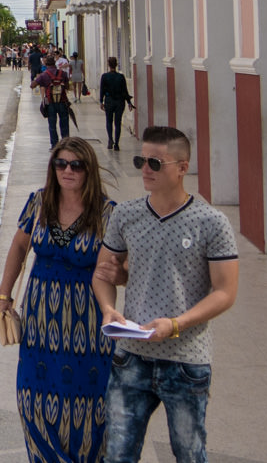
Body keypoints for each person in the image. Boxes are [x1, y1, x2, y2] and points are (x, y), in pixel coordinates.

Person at [93, 126, 240, 463]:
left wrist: (176, 324)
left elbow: (225, 292)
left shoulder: (211, 222)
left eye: (155, 163)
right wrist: (108, 308)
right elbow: (103, 273)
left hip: (185, 360)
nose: (146, 169)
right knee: (117, 453)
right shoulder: (126, 214)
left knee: (189, 454)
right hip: (130, 355)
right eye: (141, 160)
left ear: (182, 167)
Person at [0, 138, 116, 463]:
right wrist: (4, 296)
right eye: (61, 163)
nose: (68, 170)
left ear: (89, 169)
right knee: (33, 400)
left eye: (76, 165)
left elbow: (121, 268)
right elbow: (19, 247)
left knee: (88, 407)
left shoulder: (107, 213)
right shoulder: (39, 202)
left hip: (87, 326)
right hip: (40, 321)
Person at [34, 58, 72, 147]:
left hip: (50, 102)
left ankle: (54, 144)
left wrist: (39, 82)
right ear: (54, 63)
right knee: (64, 124)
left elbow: (32, 85)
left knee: (52, 124)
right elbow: (67, 86)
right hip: (62, 101)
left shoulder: (44, 75)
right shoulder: (62, 73)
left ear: (46, 64)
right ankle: (65, 143)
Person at [98, 57, 134, 151]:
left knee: (109, 121)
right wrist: (129, 102)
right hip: (119, 102)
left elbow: (102, 90)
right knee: (117, 123)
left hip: (109, 101)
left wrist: (101, 101)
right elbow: (125, 91)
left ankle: (110, 139)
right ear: (116, 65)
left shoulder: (104, 76)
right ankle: (117, 144)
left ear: (108, 65)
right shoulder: (121, 77)